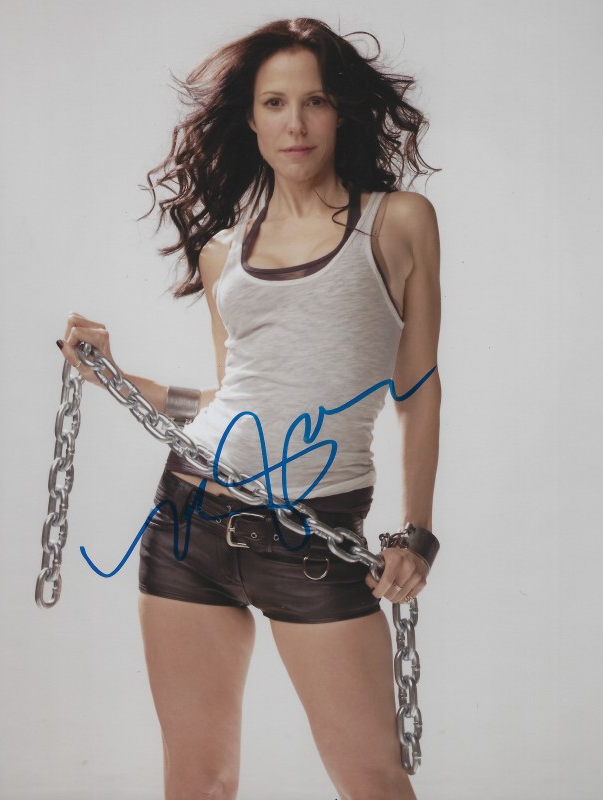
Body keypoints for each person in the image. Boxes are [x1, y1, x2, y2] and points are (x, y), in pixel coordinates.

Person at [57, 17, 441, 800]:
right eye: (275, 103)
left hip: (315, 537)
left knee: (372, 780)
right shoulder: (222, 252)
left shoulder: (397, 222)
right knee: (198, 782)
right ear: (252, 118)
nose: (295, 123)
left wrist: (416, 533)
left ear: (342, 112)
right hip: (188, 524)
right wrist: (112, 375)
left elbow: (418, 389)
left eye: (315, 101)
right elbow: (233, 396)